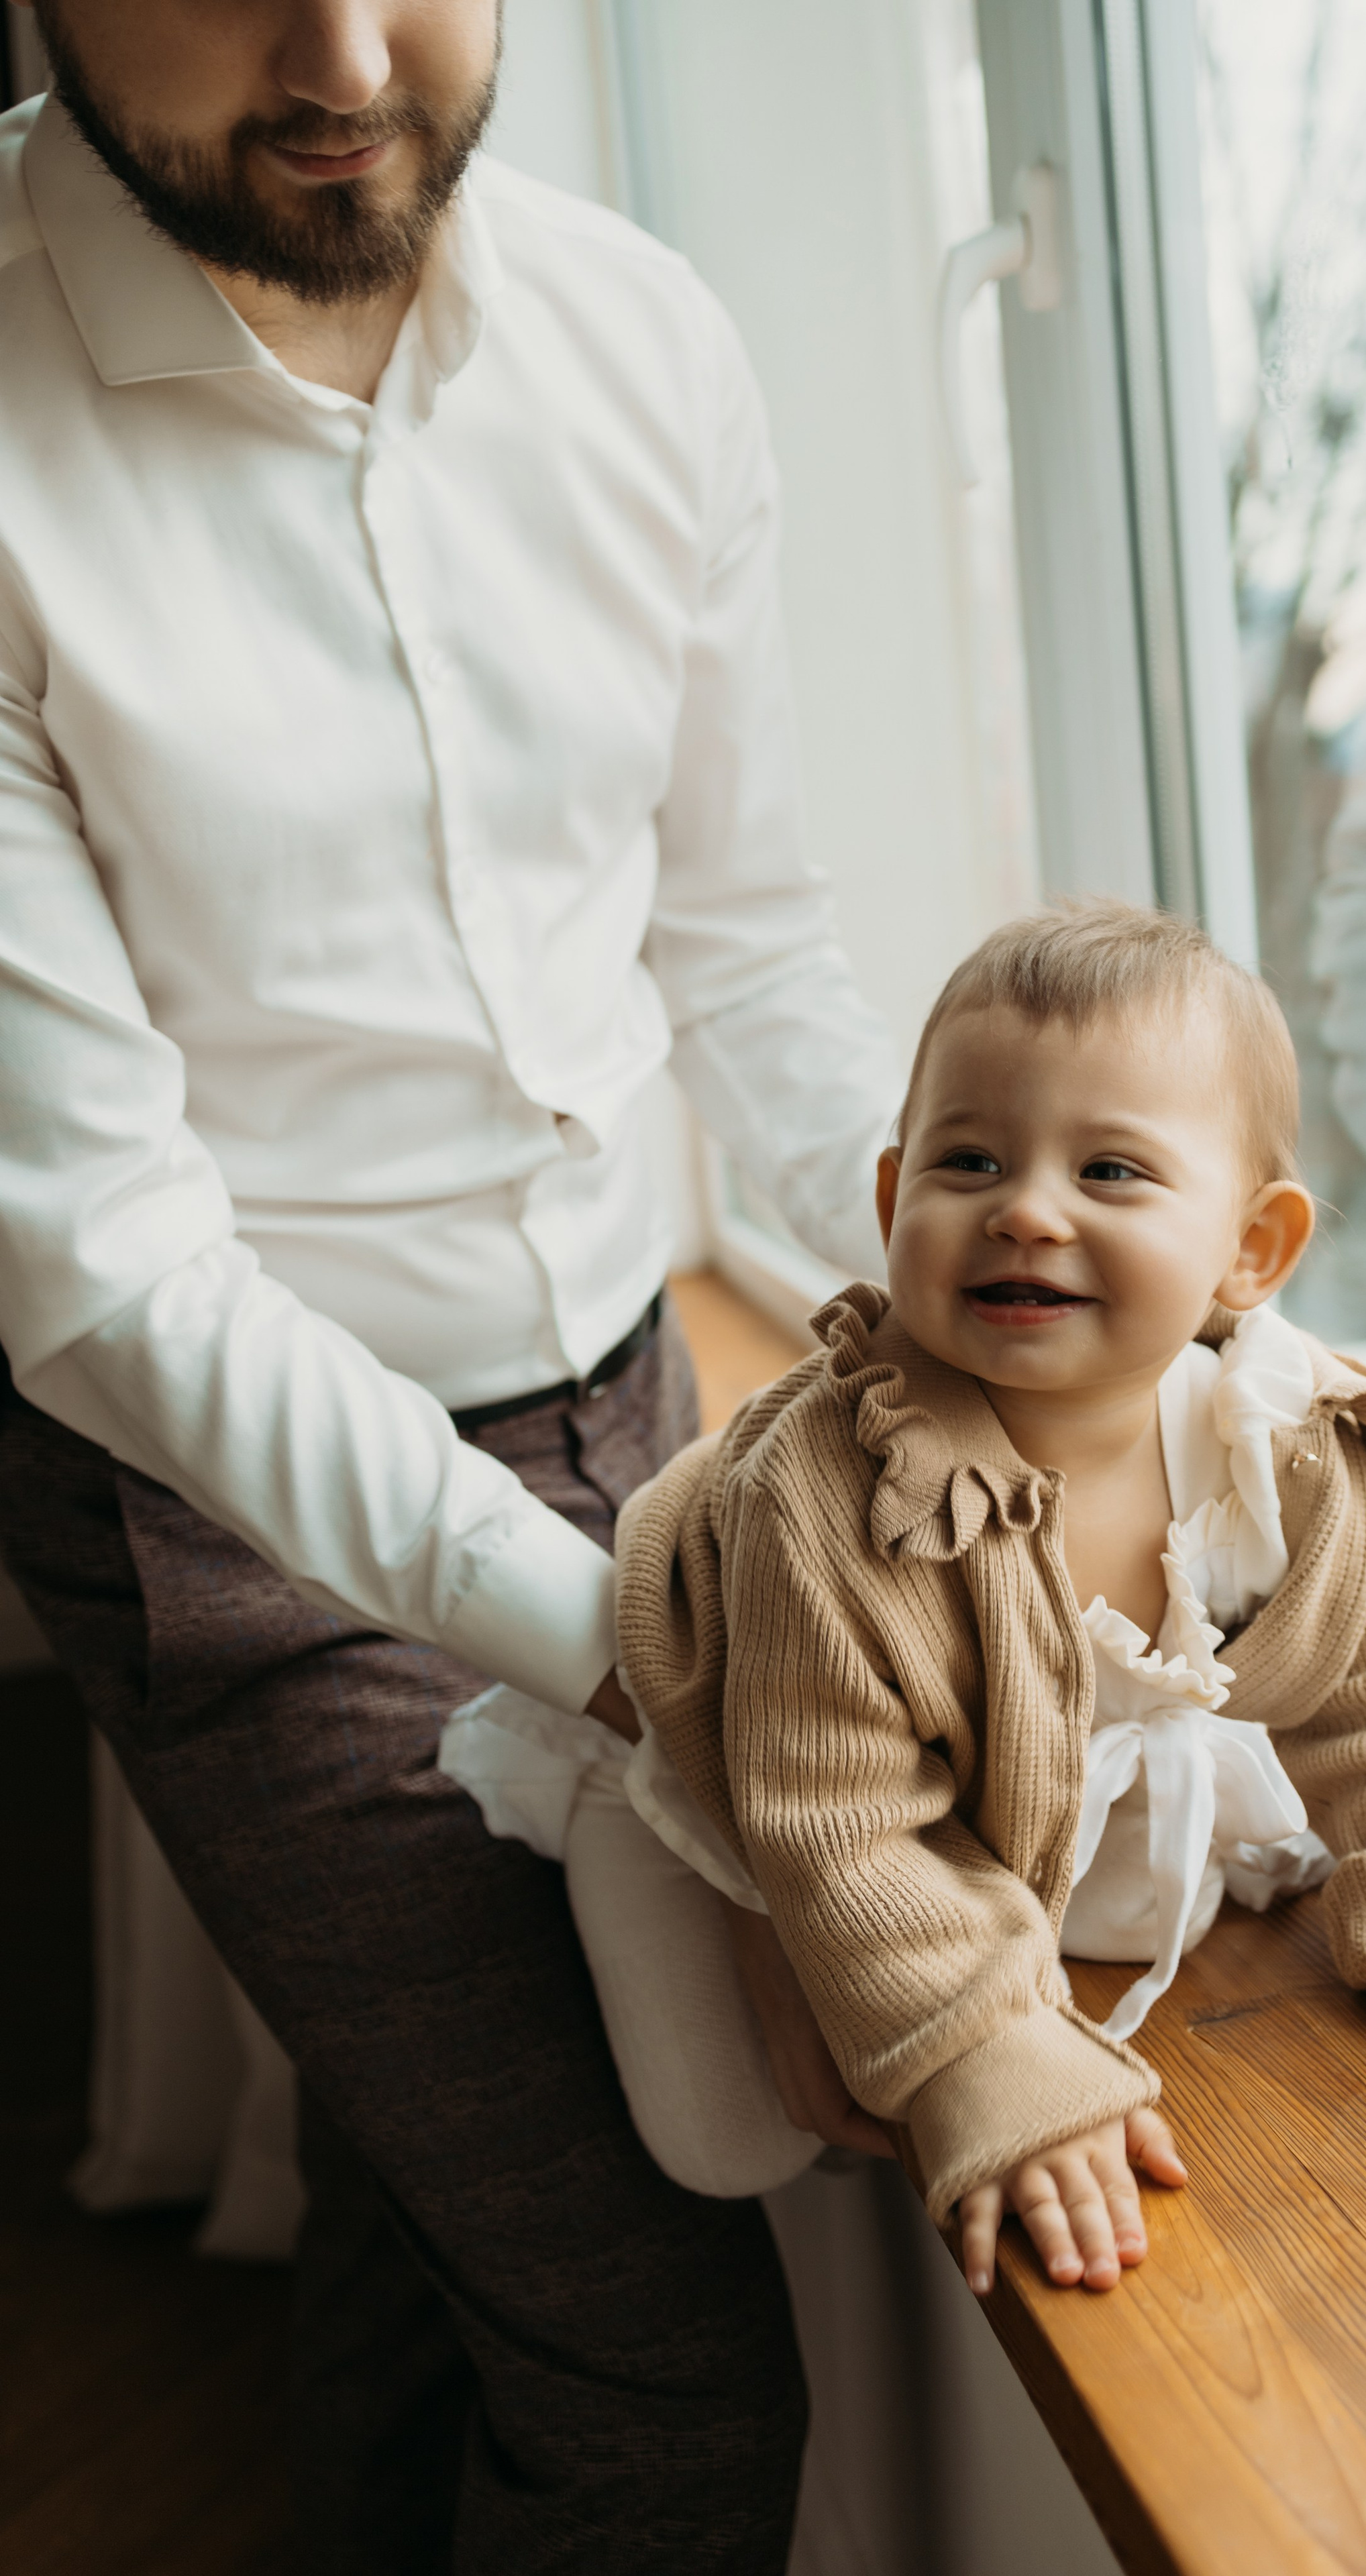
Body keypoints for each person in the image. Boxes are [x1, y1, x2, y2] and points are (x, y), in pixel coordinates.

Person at [0, 3, 904, 2567]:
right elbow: (108, 1278)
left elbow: (745, 957)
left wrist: (1060, 1276)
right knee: (664, 2379)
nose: (347, 53)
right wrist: (635, 1641)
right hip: (217, 1500)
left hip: (638, 1384)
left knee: (436, 2194)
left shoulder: (648, 339)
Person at [510, 904, 1366, 2302]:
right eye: (969, 1160)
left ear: (1251, 1250)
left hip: (1003, 1745)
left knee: (1086, 1881)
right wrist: (981, 2052)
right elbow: (842, 1814)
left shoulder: (1283, 1452)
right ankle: (602, 1810)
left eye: (1108, 1170)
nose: (1026, 1208)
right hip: (744, 1735)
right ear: (890, 1209)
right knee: (721, 2139)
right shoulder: (835, 1508)